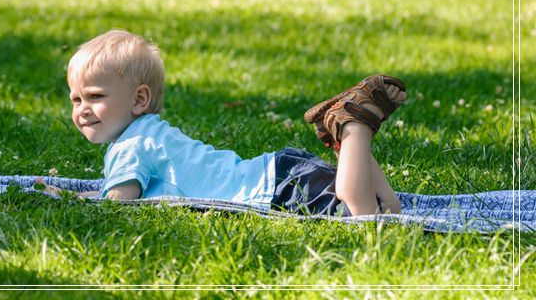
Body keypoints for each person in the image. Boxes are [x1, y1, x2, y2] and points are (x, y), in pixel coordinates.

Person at [43, 29, 407, 216]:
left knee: (362, 219)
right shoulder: (149, 135)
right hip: (282, 171)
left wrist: (73, 200)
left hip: (276, 192)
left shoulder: (130, 147)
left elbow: (117, 204)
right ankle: (342, 137)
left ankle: (353, 126)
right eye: (76, 99)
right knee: (388, 210)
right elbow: (117, 192)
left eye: (95, 97)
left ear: (139, 99)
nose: (82, 109)